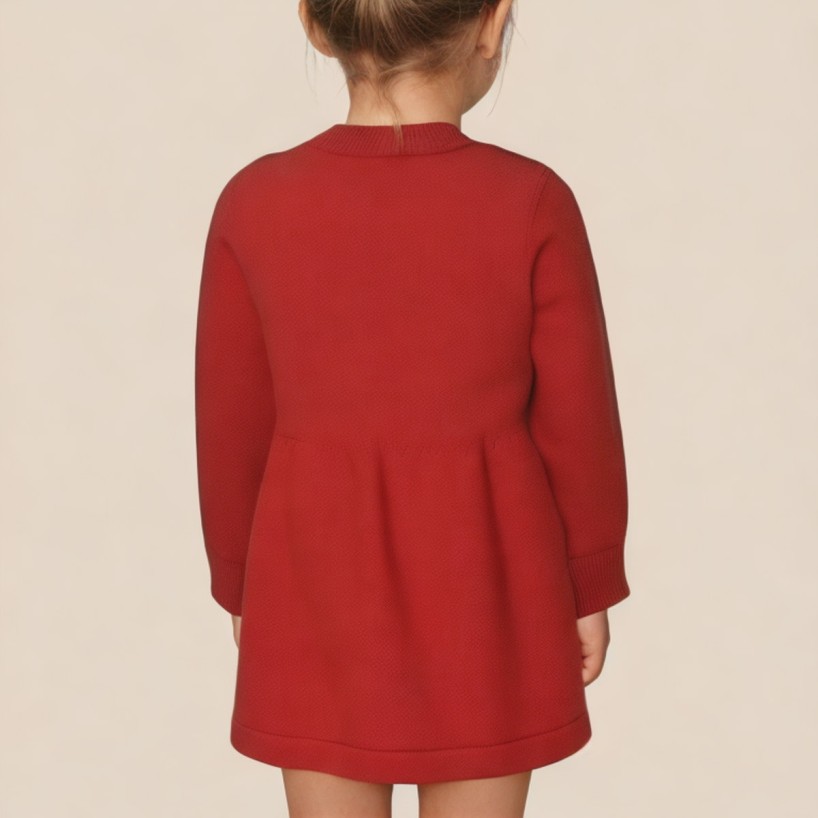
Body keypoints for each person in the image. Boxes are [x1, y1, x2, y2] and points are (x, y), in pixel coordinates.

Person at [193, 0, 631, 815]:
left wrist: (242, 586)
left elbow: (230, 425)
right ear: (493, 22)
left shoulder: (254, 203)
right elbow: (580, 425)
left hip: (312, 592)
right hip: (491, 598)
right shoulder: (532, 201)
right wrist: (589, 580)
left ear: (314, 23)